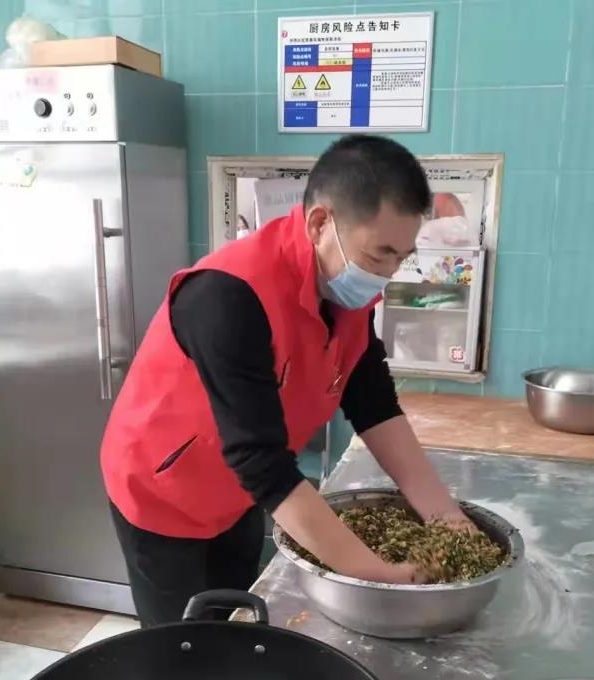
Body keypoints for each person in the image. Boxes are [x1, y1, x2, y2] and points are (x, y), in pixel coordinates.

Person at [100, 135, 473, 627]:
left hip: (237, 493)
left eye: (401, 257)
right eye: (379, 255)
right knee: (182, 647)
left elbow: (376, 407)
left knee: (230, 621)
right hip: (162, 491)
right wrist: (374, 575)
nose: (387, 274)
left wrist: (448, 520)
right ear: (320, 224)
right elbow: (261, 461)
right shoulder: (228, 296)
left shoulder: (345, 295)